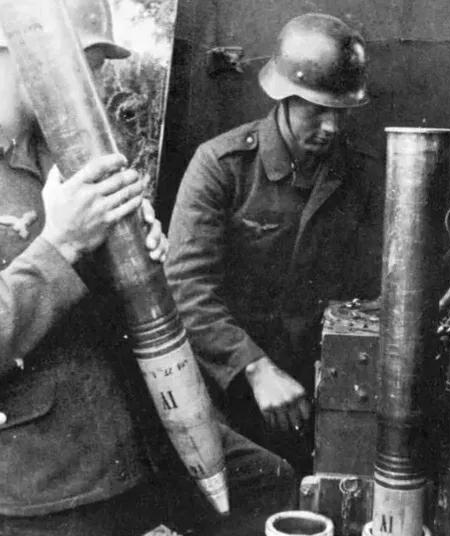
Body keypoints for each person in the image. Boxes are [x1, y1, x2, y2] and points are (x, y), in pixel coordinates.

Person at [0, 1, 293, 535]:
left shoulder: (60, 149)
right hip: (50, 475)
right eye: (80, 66)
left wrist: (133, 255)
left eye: (94, 70)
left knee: (269, 481)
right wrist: (61, 243)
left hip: (137, 428)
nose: (89, 89)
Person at [165, 12, 385, 473]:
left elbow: (375, 290)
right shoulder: (221, 166)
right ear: (283, 96)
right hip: (230, 395)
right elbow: (187, 289)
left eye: (341, 111)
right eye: (317, 109)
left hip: (322, 397)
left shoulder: (363, 177)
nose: (332, 126)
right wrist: (254, 367)